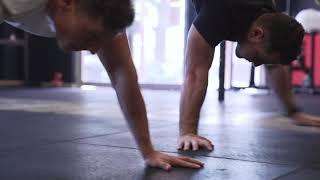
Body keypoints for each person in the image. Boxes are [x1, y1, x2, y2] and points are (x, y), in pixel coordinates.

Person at [0, 0, 204, 170]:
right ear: (66, 3)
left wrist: (148, 151)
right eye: (92, 36)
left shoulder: (102, 11)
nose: (93, 49)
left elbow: (121, 71)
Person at [177, 0, 320, 152]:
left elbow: (275, 65)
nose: (257, 64)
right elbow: (195, 73)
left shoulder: (268, 16)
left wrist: (293, 112)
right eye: (260, 58)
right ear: (256, 34)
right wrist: (188, 132)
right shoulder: (219, 11)